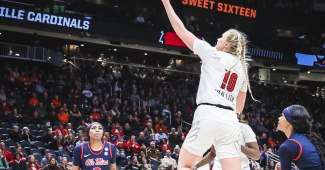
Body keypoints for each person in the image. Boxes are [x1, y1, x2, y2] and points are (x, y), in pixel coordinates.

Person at [161, 0, 255, 169]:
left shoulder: (212, 54)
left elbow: (180, 30)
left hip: (208, 114)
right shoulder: (242, 68)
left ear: (226, 45)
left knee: (186, 165)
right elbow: (239, 108)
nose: (218, 39)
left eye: (221, 37)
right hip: (230, 122)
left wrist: (166, 3)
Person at [193, 119, 260, 170]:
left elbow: (256, 155)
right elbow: (213, 153)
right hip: (219, 167)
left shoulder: (244, 128)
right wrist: (197, 166)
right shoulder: (217, 128)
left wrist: (238, 146)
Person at [276, 105, 325, 170]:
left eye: (282, 115)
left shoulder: (286, 146)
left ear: (289, 122)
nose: (279, 118)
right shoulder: (307, 138)